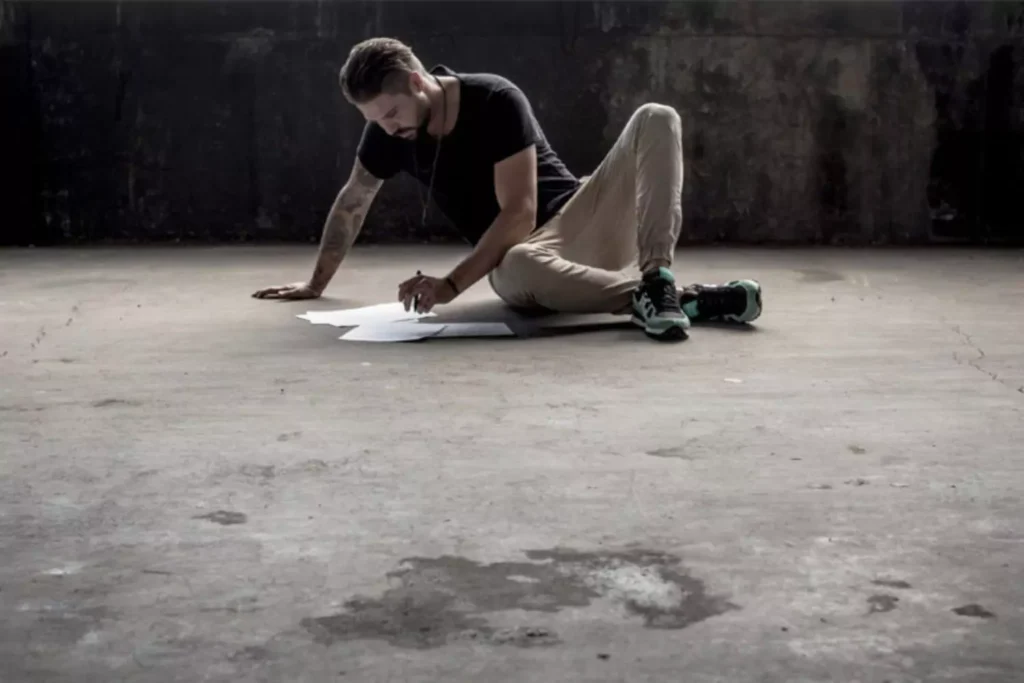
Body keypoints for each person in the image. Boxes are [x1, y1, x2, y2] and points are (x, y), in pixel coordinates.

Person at [252, 37, 762, 341]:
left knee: (657, 116)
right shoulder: (390, 134)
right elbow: (352, 201)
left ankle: (657, 277)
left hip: (582, 220)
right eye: (374, 121)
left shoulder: (493, 98)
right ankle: (680, 301)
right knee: (514, 263)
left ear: (415, 82)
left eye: (390, 114)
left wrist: (449, 286)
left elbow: (519, 212)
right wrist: (315, 284)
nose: (387, 128)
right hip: (531, 267)